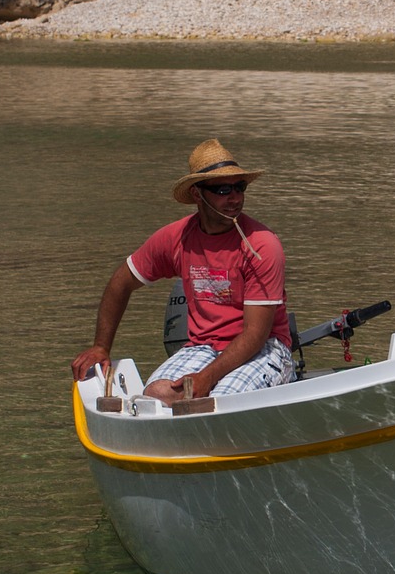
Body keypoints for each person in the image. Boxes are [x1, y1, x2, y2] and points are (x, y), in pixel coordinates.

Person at [71, 138, 295, 404]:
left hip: (266, 348)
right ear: (197, 195)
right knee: (154, 396)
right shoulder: (175, 238)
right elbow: (121, 282)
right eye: (223, 189)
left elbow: (256, 334)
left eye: (239, 187)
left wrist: (207, 378)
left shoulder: (262, 244)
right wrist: (101, 347)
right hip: (204, 347)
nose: (235, 197)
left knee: (219, 402)